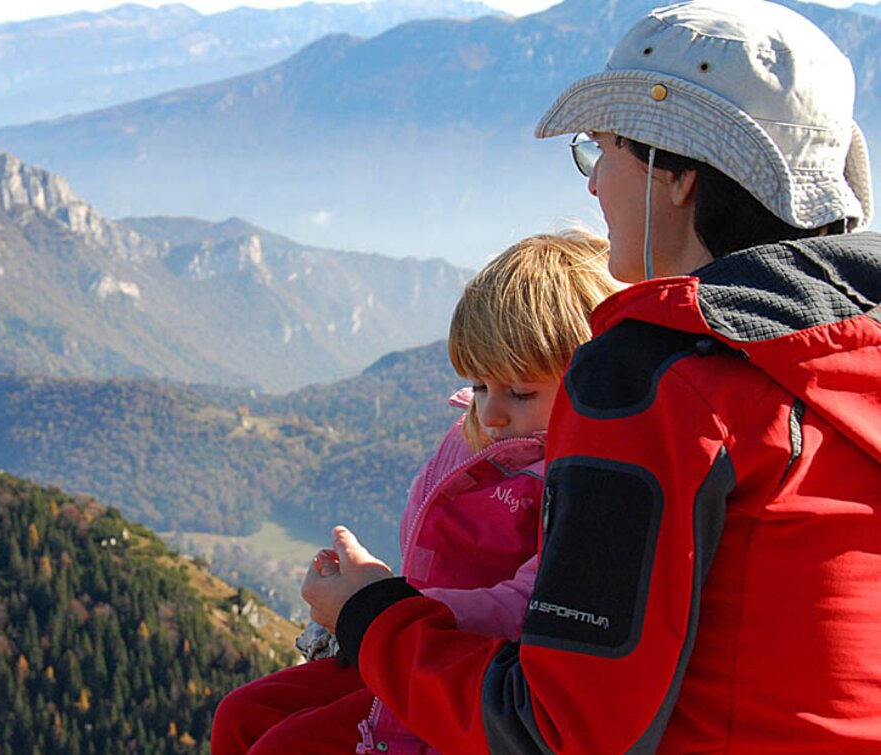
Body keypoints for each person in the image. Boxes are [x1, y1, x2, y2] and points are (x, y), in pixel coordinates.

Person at [302, 1, 881, 752]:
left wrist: (372, 614)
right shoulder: (848, 353)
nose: (592, 185)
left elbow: (557, 729)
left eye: (600, 149)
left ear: (676, 173)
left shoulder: (657, 381)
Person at [210, 232, 620, 754]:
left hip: (472, 677)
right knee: (244, 714)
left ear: (591, 381)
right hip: (418, 643)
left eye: (520, 392)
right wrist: (374, 594)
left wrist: (375, 606)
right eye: (479, 386)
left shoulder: (585, 481)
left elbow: (527, 607)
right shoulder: (477, 443)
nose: (490, 413)